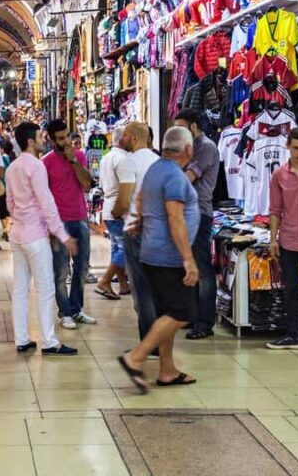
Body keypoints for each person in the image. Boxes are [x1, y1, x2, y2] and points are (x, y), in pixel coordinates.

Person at [119, 127, 200, 393]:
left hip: (152, 252)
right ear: (187, 150)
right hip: (169, 256)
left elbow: (141, 199)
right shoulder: (175, 176)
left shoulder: (155, 169)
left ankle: (167, 370)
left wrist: (141, 221)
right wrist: (188, 259)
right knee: (181, 313)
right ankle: (136, 357)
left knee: (166, 312)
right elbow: (175, 218)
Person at [8, 122, 79, 355]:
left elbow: (9, 203)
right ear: (30, 141)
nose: (43, 139)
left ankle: (22, 338)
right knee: (45, 288)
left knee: (20, 288)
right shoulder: (36, 166)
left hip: (17, 234)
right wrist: (62, 234)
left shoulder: (12, 168)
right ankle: (49, 341)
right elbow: (46, 202)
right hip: (35, 236)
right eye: (40, 136)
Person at [44, 119, 95, 328]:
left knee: (81, 267)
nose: (66, 141)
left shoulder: (79, 155)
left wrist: (73, 160)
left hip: (80, 218)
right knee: (61, 270)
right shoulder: (46, 162)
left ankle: (77, 308)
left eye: (67, 136)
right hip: (58, 222)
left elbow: (86, 185)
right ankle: (64, 311)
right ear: (51, 140)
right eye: (60, 138)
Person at [174, 109, 219, 340]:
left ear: (193, 127)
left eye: (181, 127)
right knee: (188, 265)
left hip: (199, 214)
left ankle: (204, 321)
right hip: (184, 213)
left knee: (202, 267)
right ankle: (191, 314)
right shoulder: (187, 148)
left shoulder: (206, 147)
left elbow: (186, 178)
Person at [120, 122, 159, 344]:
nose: (121, 140)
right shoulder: (159, 161)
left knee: (141, 288)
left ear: (135, 138)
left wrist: (116, 211)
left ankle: (148, 343)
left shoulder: (130, 162)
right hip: (157, 230)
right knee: (155, 287)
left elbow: (124, 201)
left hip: (135, 229)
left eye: (125, 136)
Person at [267, 127, 298, 349]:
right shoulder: (279, 175)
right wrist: (273, 239)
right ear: (288, 146)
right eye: (297, 148)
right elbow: (275, 210)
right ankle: (294, 334)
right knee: (290, 288)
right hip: (289, 240)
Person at [95, 127, 134, 300]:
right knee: (124, 248)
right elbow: (126, 187)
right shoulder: (122, 159)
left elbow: (103, 184)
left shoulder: (106, 158)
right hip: (119, 209)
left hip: (108, 207)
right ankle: (105, 280)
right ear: (121, 140)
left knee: (116, 247)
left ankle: (123, 284)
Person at [0, 138, 15, 241]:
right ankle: (9, 230)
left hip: (2, 187)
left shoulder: (1, 160)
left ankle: (6, 230)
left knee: (2, 211)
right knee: (9, 211)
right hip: (12, 187)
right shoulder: (13, 159)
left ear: (2, 149)